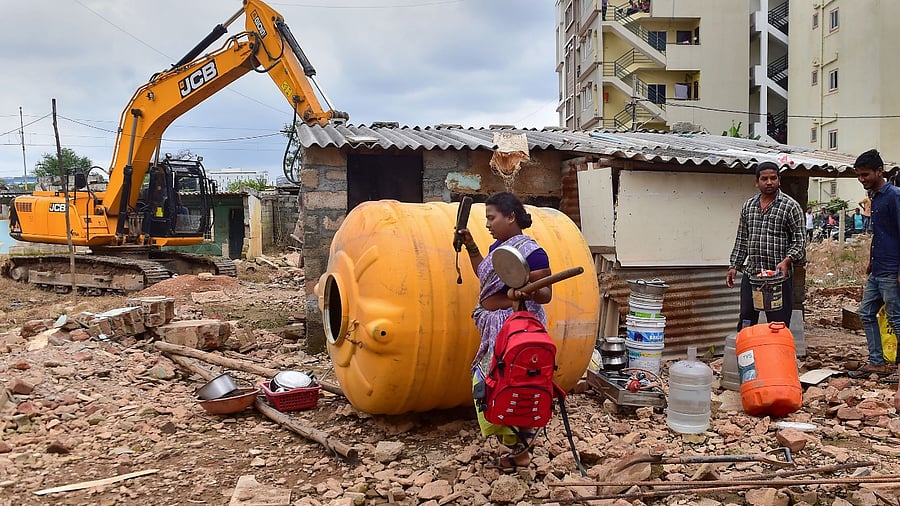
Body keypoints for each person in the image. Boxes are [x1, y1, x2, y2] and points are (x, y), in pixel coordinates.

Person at [456, 192, 552, 472]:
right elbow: (485, 275)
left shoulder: (533, 252)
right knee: (489, 385)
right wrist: (473, 248)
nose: (487, 223)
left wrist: (526, 290)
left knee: (514, 384)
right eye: (486, 218)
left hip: (516, 328)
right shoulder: (499, 248)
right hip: (493, 328)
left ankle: (520, 451)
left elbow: (546, 294)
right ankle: (517, 448)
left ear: (511, 217)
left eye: (491, 217)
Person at [726, 162, 806, 331]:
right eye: (764, 179)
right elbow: (742, 239)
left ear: (779, 180)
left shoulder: (790, 206)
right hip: (753, 274)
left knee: (778, 324)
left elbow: (799, 241)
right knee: (747, 320)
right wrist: (734, 265)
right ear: (757, 182)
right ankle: (747, 355)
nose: (769, 182)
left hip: (778, 277)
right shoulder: (748, 207)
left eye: (773, 178)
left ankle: (777, 356)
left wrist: (787, 260)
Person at [849, 149, 900, 378]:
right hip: (878, 268)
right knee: (867, 312)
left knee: (896, 317)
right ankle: (877, 362)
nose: (862, 179)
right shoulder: (875, 197)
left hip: (892, 269)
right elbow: (879, 233)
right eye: (859, 175)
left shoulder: (895, 196)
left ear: (880, 171)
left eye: (865, 175)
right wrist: (871, 261)